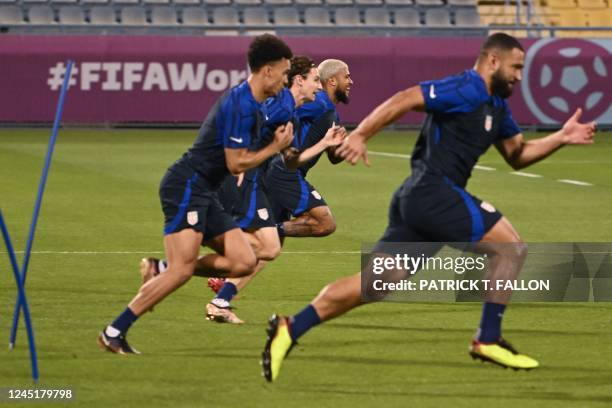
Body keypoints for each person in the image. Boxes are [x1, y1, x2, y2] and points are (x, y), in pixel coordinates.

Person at [261, 33, 597, 381]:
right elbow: (406, 98)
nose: (519, 76)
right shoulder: (465, 87)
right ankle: (488, 338)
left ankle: (290, 327)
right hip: (434, 192)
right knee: (510, 248)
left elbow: (518, 154)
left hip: (420, 202)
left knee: (375, 284)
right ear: (493, 61)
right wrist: (360, 135)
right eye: (516, 67)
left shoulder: (496, 106)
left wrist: (560, 137)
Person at [97, 34, 294, 355]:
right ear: (268, 71)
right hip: (186, 185)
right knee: (182, 270)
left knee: (244, 261)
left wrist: (279, 146)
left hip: (205, 191)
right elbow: (235, 163)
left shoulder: (254, 107)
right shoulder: (240, 104)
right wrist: (275, 147)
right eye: (284, 72)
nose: (286, 80)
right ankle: (114, 331)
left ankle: (160, 270)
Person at [205, 59, 353, 323]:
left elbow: (333, 156)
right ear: (333, 81)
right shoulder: (318, 103)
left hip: (283, 173)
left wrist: (349, 142)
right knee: (324, 223)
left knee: (268, 250)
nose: (351, 82)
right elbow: (278, 116)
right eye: (347, 77)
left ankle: (220, 300)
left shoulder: (330, 112)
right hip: (284, 172)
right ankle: (270, 231)